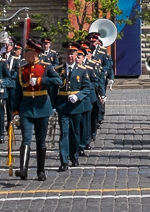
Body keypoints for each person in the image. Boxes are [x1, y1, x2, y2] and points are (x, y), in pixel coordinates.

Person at [11, 38, 62, 181]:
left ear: (35, 53)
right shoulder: (22, 68)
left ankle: (41, 170)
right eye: (25, 51)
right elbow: (17, 91)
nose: (25, 54)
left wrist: (41, 81)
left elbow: (58, 81)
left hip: (42, 106)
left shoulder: (46, 67)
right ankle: (23, 170)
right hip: (26, 107)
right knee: (26, 139)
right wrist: (15, 111)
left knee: (41, 141)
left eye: (28, 51)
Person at [54, 42, 93, 172]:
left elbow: (88, 87)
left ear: (76, 55)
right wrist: (53, 106)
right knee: (64, 133)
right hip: (63, 105)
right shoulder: (58, 70)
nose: (70, 55)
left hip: (76, 106)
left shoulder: (82, 70)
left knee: (75, 134)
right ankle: (64, 161)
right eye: (67, 53)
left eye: (72, 53)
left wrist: (79, 96)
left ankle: (74, 156)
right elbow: (53, 89)